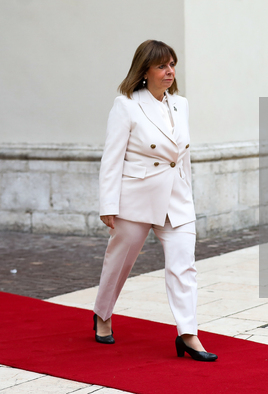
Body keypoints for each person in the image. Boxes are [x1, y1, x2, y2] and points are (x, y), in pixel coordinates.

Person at [93, 39, 217, 362]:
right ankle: (102, 314)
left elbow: (183, 157)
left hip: (176, 199)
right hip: (136, 198)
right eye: (162, 65)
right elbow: (112, 158)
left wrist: (187, 193)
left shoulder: (181, 105)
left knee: (183, 267)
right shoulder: (127, 106)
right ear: (144, 71)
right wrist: (108, 205)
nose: (170, 71)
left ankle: (189, 335)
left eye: (172, 64)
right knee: (120, 262)